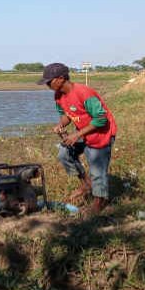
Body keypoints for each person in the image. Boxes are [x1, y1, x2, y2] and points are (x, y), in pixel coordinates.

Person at [37, 62, 117, 214]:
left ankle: (100, 202)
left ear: (60, 78)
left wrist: (77, 135)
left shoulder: (84, 93)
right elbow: (66, 114)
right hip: (84, 132)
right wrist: (61, 125)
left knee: (97, 168)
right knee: (64, 153)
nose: (47, 85)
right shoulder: (58, 95)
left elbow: (101, 120)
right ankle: (86, 184)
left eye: (49, 81)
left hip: (101, 134)